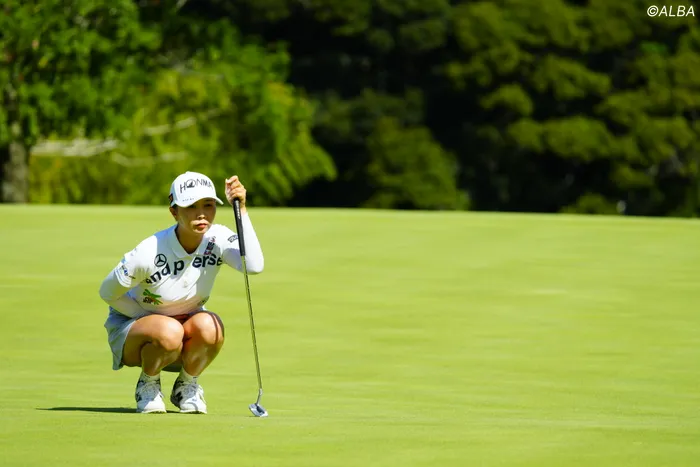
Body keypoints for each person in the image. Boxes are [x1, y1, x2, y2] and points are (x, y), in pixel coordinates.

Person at [99, 171, 264, 414]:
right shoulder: (149, 251)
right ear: (174, 212)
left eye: (208, 205)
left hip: (183, 328)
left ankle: (186, 385)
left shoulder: (217, 238)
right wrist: (150, 318)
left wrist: (241, 210)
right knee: (168, 330)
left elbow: (254, 266)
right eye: (191, 206)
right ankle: (148, 383)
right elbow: (107, 292)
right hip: (133, 331)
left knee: (210, 327)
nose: (201, 214)